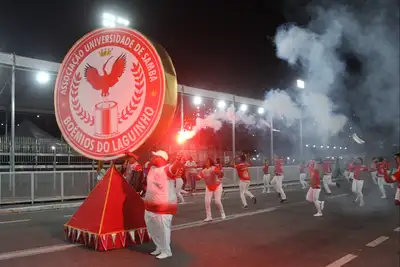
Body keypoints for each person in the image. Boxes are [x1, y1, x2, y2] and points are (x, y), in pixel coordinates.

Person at [143, 150, 182, 260]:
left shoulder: (167, 169)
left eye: (155, 156)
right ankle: (159, 247)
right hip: (150, 205)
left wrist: (178, 161)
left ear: (162, 158)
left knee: (163, 229)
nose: (152, 157)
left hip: (163, 207)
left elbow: (173, 168)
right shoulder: (151, 168)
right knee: (152, 228)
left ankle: (166, 250)